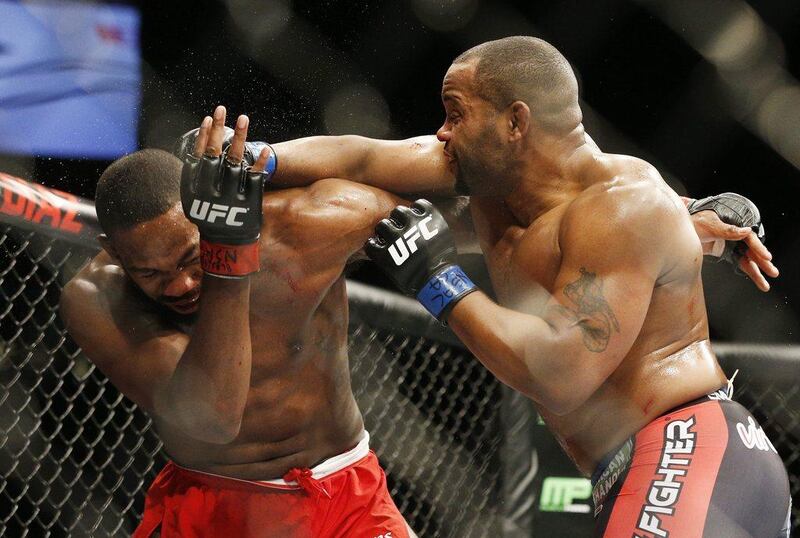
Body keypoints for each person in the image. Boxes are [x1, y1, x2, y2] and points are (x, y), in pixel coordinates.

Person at [257, 36, 789, 536]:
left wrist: (435, 277)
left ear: (516, 122)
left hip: (690, 450)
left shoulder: (623, 206)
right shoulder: (490, 186)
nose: (442, 132)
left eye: (456, 115)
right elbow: (366, 158)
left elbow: (560, 374)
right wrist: (255, 160)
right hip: (632, 468)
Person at [60, 107, 417, 538]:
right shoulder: (98, 300)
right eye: (150, 273)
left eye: (191, 259)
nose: (181, 285)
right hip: (220, 507)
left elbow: (448, 210)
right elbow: (215, 416)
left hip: (349, 498)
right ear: (115, 254)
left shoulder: (305, 225)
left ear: (205, 210)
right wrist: (228, 253)